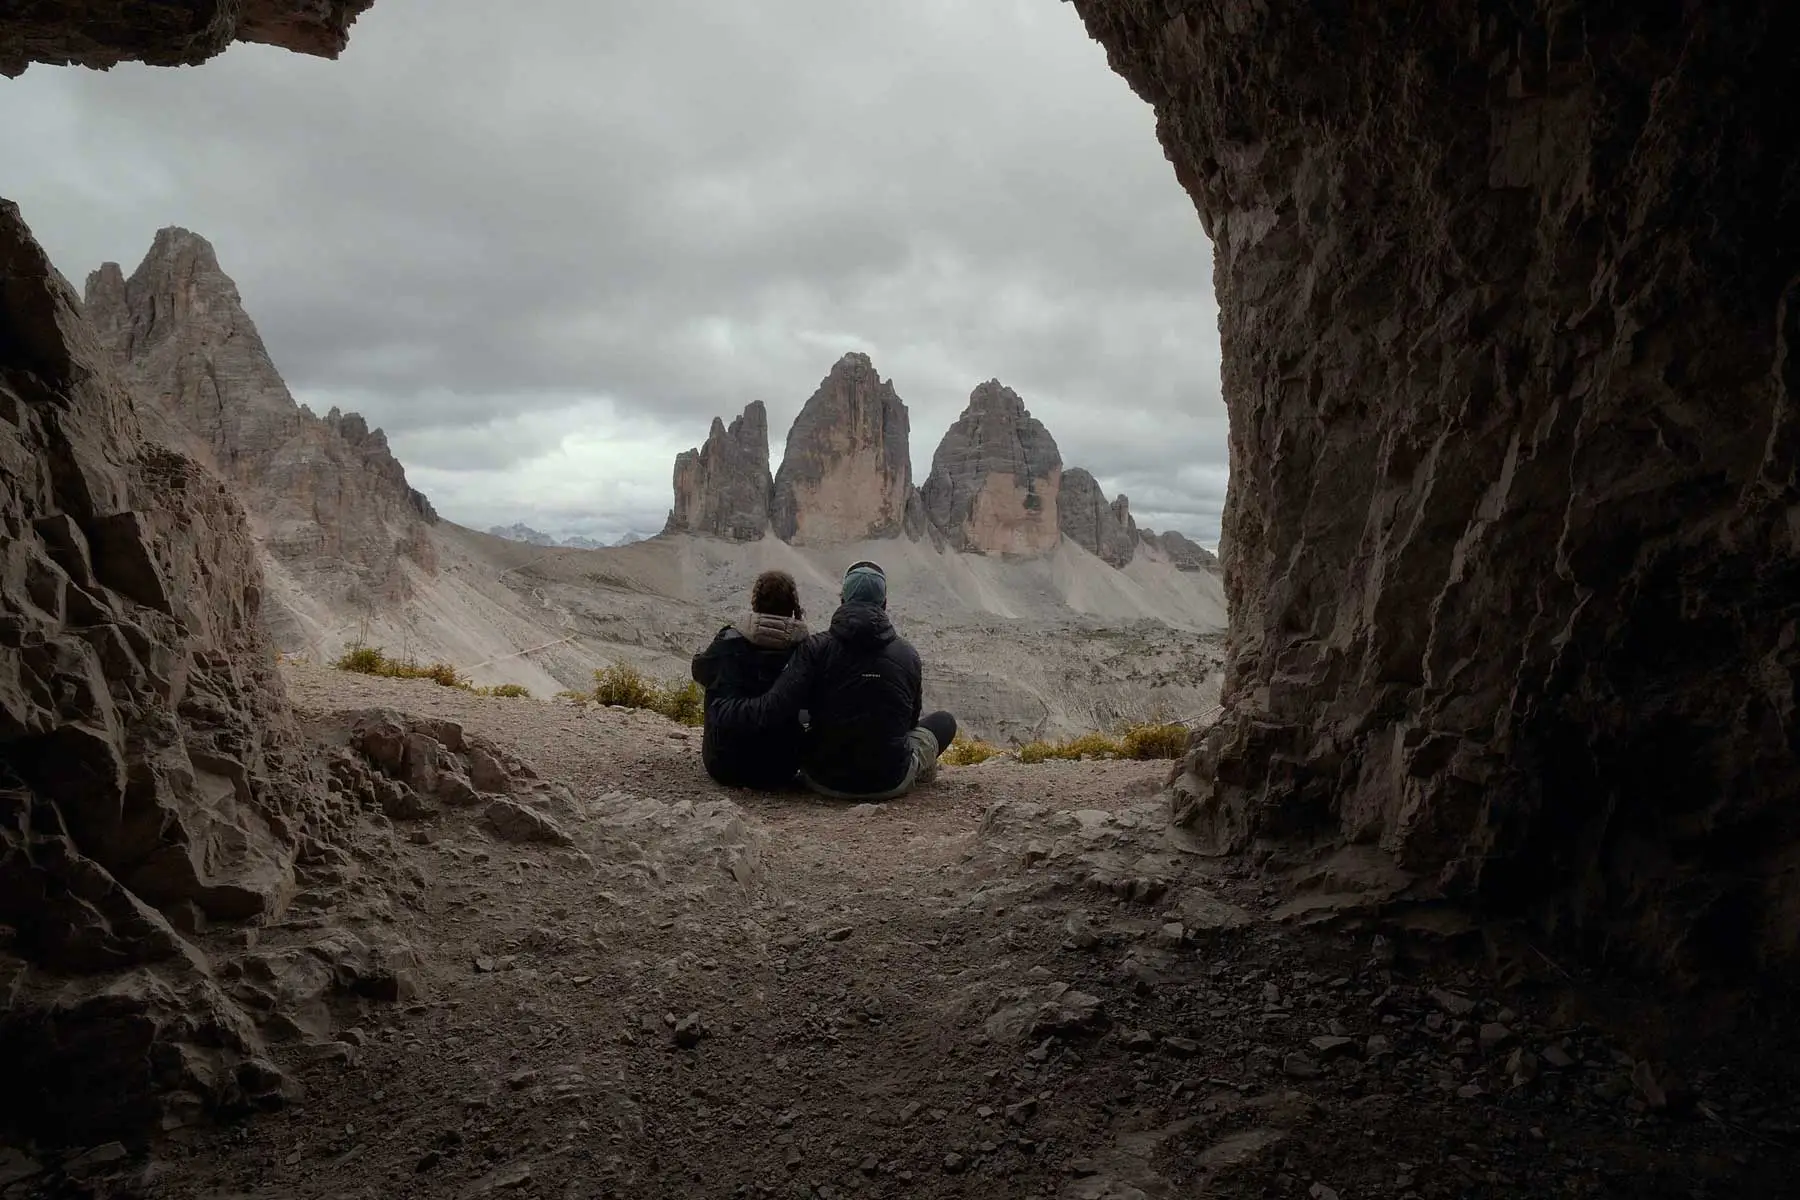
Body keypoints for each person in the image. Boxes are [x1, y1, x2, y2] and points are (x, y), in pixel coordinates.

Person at [717, 560, 957, 801]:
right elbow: (910, 722)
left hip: (822, 779)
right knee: (944, 722)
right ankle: (917, 771)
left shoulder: (815, 648)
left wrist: (724, 708)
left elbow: (784, 707)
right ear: (884, 604)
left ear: (842, 599)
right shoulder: (908, 654)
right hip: (890, 780)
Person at [690, 570, 810, 788]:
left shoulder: (728, 641)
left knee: (716, 677)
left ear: (755, 601)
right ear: (793, 605)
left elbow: (699, 671)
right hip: (782, 769)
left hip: (723, 765)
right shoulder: (806, 650)